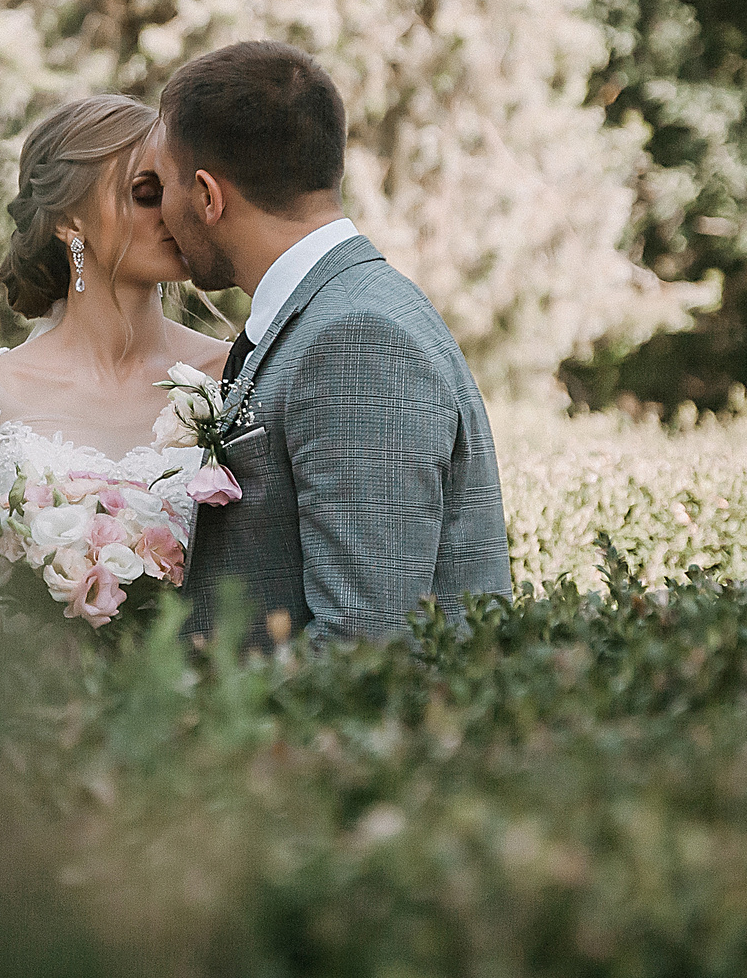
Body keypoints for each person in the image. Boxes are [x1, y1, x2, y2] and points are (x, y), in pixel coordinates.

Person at [149, 41, 511, 646]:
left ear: (208, 196)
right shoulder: (332, 312)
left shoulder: (356, 340)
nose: (160, 213)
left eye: (160, 185)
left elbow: (367, 642)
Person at [0, 95, 232, 634]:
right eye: (147, 194)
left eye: (180, 191)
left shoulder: (232, 377)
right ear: (70, 221)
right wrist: (29, 642)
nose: (175, 213)